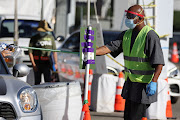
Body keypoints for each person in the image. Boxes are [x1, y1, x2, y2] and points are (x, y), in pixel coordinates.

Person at [96, 5, 164, 120]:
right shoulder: (126, 35)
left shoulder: (150, 36)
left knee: (134, 117)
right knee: (128, 117)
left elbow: (159, 63)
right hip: (131, 83)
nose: (128, 19)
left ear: (141, 19)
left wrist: (154, 82)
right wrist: (91, 52)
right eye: (127, 16)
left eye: (131, 16)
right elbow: (109, 47)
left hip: (144, 85)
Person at [29, 20, 58, 85]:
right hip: (37, 62)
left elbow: (54, 51)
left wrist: (55, 63)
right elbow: (30, 52)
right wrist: (33, 64)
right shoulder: (34, 38)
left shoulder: (50, 38)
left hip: (47, 63)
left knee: (48, 81)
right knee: (37, 81)